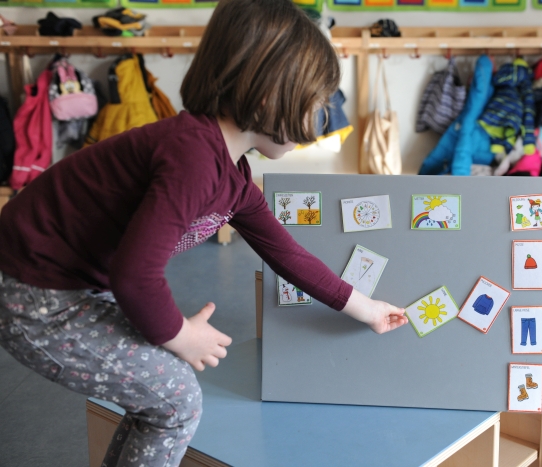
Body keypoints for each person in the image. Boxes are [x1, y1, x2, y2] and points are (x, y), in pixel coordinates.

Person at [0, 1, 408, 465]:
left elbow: (288, 256)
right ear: (270, 99)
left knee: (160, 396)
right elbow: (135, 277)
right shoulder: (193, 155)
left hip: (72, 283)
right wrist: (179, 335)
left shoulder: (233, 176)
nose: (318, 123)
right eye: (316, 105)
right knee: (177, 401)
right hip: (34, 292)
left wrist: (368, 308)